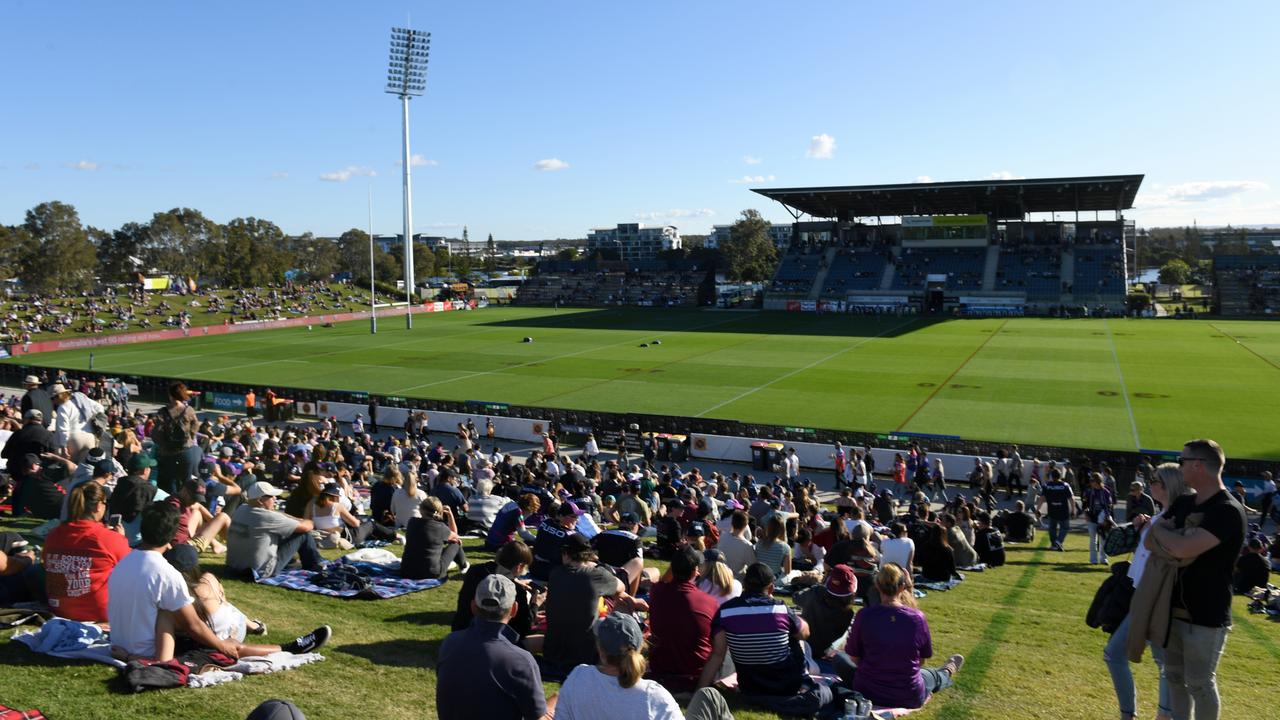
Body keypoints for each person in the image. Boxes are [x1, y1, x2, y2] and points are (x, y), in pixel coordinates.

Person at [1147, 439, 1246, 719]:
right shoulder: (1185, 503)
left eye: (1182, 461)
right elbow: (1149, 544)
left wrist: (1161, 533)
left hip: (1206, 614)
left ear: (1198, 466)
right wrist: (1164, 536)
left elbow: (1180, 548)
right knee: (1174, 678)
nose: (1179, 466)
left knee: (1200, 684)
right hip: (1172, 609)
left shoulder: (1227, 510)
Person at [106, 502, 239, 662]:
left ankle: (277, 648)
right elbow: (193, 625)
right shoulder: (166, 572)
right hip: (147, 652)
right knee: (168, 614)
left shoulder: (123, 563)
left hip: (118, 643)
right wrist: (222, 646)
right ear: (172, 535)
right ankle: (276, 648)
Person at [696, 562, 832, 716]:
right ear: (771, 588)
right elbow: (804, 634)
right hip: (786, 686)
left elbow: (717, 654)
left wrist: (699, 692)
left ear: (744, 585)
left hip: (750, 687)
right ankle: (805, 681)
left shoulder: (726, 611)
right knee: (795, 635)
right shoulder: (781, 609)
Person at [1104, 462, 1184, 720]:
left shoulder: (1176, 521)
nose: (1151, 485)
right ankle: (1134, 714)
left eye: (1155, 481)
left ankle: (1162, 715)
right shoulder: (1160, 517)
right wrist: (1140, 528)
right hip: (1138, 596)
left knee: (1163, 664)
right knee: (1116, 654)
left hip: (1157, 601)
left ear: (1169, 485)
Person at [555, 612, 734, 720]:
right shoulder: (653, 696)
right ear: (640, 648)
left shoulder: (578, 677)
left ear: (601, 651)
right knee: (709, 696)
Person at [164, 543, 329, 657]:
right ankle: (254, 626)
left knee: (230, 647)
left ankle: (289, 648)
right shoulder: (209, 578)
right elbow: (226, 604)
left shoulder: (176, 597)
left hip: (224, 639)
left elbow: (194, 628)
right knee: (224, 606)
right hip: (239, 624)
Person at [843, 563, 964, 709]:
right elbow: (921, 660)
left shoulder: (864, 615)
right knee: (931, 675)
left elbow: (854, 658)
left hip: (868, 691)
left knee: (840, 660)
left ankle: (945, 671)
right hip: (906, 694)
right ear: (902, 587)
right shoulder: (917, 618)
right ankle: (947, 670)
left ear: (877, 586)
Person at [437, 574, 556, 720]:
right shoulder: (520, 660)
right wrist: (556, 702)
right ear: (514, 609)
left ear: (474, 606)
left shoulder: (450, 643)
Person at [542, 533, 635, 675]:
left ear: (566, 554)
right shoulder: (595, 575)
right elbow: (621, 587)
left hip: (552, 652)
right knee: (622, 602)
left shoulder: (555, 573)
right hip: (585, 655)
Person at [43, 482, 131, 622]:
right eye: (105, 503)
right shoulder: (108, 539)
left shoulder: (53, 535)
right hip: (99, 613)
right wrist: (120, 538)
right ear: (98, 506)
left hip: (60, 609)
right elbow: (132, 568)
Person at [647, 545, 718, 693]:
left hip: (660, 671)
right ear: (695, 571)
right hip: (693, 676)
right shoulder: (709, 602)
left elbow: (664, 581)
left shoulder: (657, 592)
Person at [226, 482, 322, 580]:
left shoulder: (241, 509)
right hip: (262, 570)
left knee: (280, 533)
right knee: (302, 535)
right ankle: (315, 565)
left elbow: (276, 515)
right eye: (272, 496)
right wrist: (309, 521)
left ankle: (291, 562)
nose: (275, 498)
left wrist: (297, 520)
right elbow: (306, 527)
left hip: (235, 566)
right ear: (260, 500)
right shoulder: (268, 518)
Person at [451, 541, 539, 645]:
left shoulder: (475, 571)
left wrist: (516, 582)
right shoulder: (515, 591)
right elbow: (524, 628)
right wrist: (535, 605)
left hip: (460, 631)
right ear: (519, 566)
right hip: (489, 642)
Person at [794, 564, 858, 674]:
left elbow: (796, 597)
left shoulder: (814, 593)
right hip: (824, 652)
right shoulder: (848, 614)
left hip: (804, 648)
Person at [2, 409, 59, 517]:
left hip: (18, 471)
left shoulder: (18, 434)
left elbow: (4, 454)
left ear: (27, 419)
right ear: (41, 420)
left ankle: (19, 510)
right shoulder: (48, 435)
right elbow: (53, 457)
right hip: (39, 474)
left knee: (22, 486)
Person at [401, 496, 468, 582]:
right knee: (456, 544)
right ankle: (464, 566)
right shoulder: (440, 527)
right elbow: (455, 536)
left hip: (407, 570)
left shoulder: (412, 522)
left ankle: (462, 565)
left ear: (421, 509)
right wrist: (450, 515)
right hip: (431, 573)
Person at [152, 382, 201, 494]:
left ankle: (174, 503)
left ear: (170, 395)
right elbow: (195, 426)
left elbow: (157, 432)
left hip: (169, 451)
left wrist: (163, 445)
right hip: (186, 449)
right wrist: (189, 437)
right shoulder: (189, 410)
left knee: (171, 480)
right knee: (186, 479)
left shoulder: (163, 412)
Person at [1038, 468, 1076, 551]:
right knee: (1065, 528)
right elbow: (1071, 498)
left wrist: (1038, 509)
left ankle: (1054, 544)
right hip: (1063, 511)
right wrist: (1073, 510)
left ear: (1051, 476)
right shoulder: (1065, 485)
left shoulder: (1047, 485)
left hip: (1052, 510)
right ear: (1060, 476)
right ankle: (1058, 542)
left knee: (1052, 528)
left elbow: (1041, 498)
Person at [1083, 472, 1115, 565]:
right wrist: (1086, 515)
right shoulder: (1089, 491)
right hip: (1092, 519)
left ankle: (1103, 559)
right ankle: (1093, 560)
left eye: (1092, 480)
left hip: (1103, 520)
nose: (1091, 482)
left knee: (1103, 539)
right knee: (1093, 539)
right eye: (1091, 480)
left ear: (1098, 481)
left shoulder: (1106, 492)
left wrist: (1107, 519)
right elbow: (1085, 504)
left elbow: (1109, 506)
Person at [715, 510, 755, 579]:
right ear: (746, 525)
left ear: (732, 523)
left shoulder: (722, 536)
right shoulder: (747, 545)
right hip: (735, 580)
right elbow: (752, 566)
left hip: (720, 575)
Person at [752, 513, 791, 578]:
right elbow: (787, 571)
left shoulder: (759, 543)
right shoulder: (785, 547)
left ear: (768, 528)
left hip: (759, 576)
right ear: (782, 529)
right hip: (773, 578)